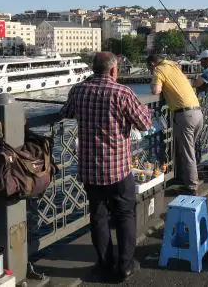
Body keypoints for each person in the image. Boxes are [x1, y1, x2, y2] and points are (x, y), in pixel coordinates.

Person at [60, 52, 152, 281]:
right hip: (118, 170)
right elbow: (144, 123)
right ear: (113, 71)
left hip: (90, 170)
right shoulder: (122, 92)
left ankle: (104, 263)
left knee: (98, 217)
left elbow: (66, 113)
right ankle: (125, 265)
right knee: (124, 216)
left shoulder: (78, 90)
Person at [147, 54, 203, 195]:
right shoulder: (172, 65)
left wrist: (154, 82)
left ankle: (191, 187)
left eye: (149, 68)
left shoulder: (158, 70)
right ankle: (186, 178)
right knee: (188, 149)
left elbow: (156, 90)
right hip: (197, 112)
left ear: (153, 64)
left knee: (187, 152)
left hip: (185, 115)